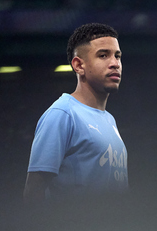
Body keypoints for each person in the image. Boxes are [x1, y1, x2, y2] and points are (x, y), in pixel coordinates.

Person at [24, 23, 128, 203]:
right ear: (79, 65)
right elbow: (33, 192)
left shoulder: (110, 119)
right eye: (103, 55)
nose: (115, 64)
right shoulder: (63, 114)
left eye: (117, 56)